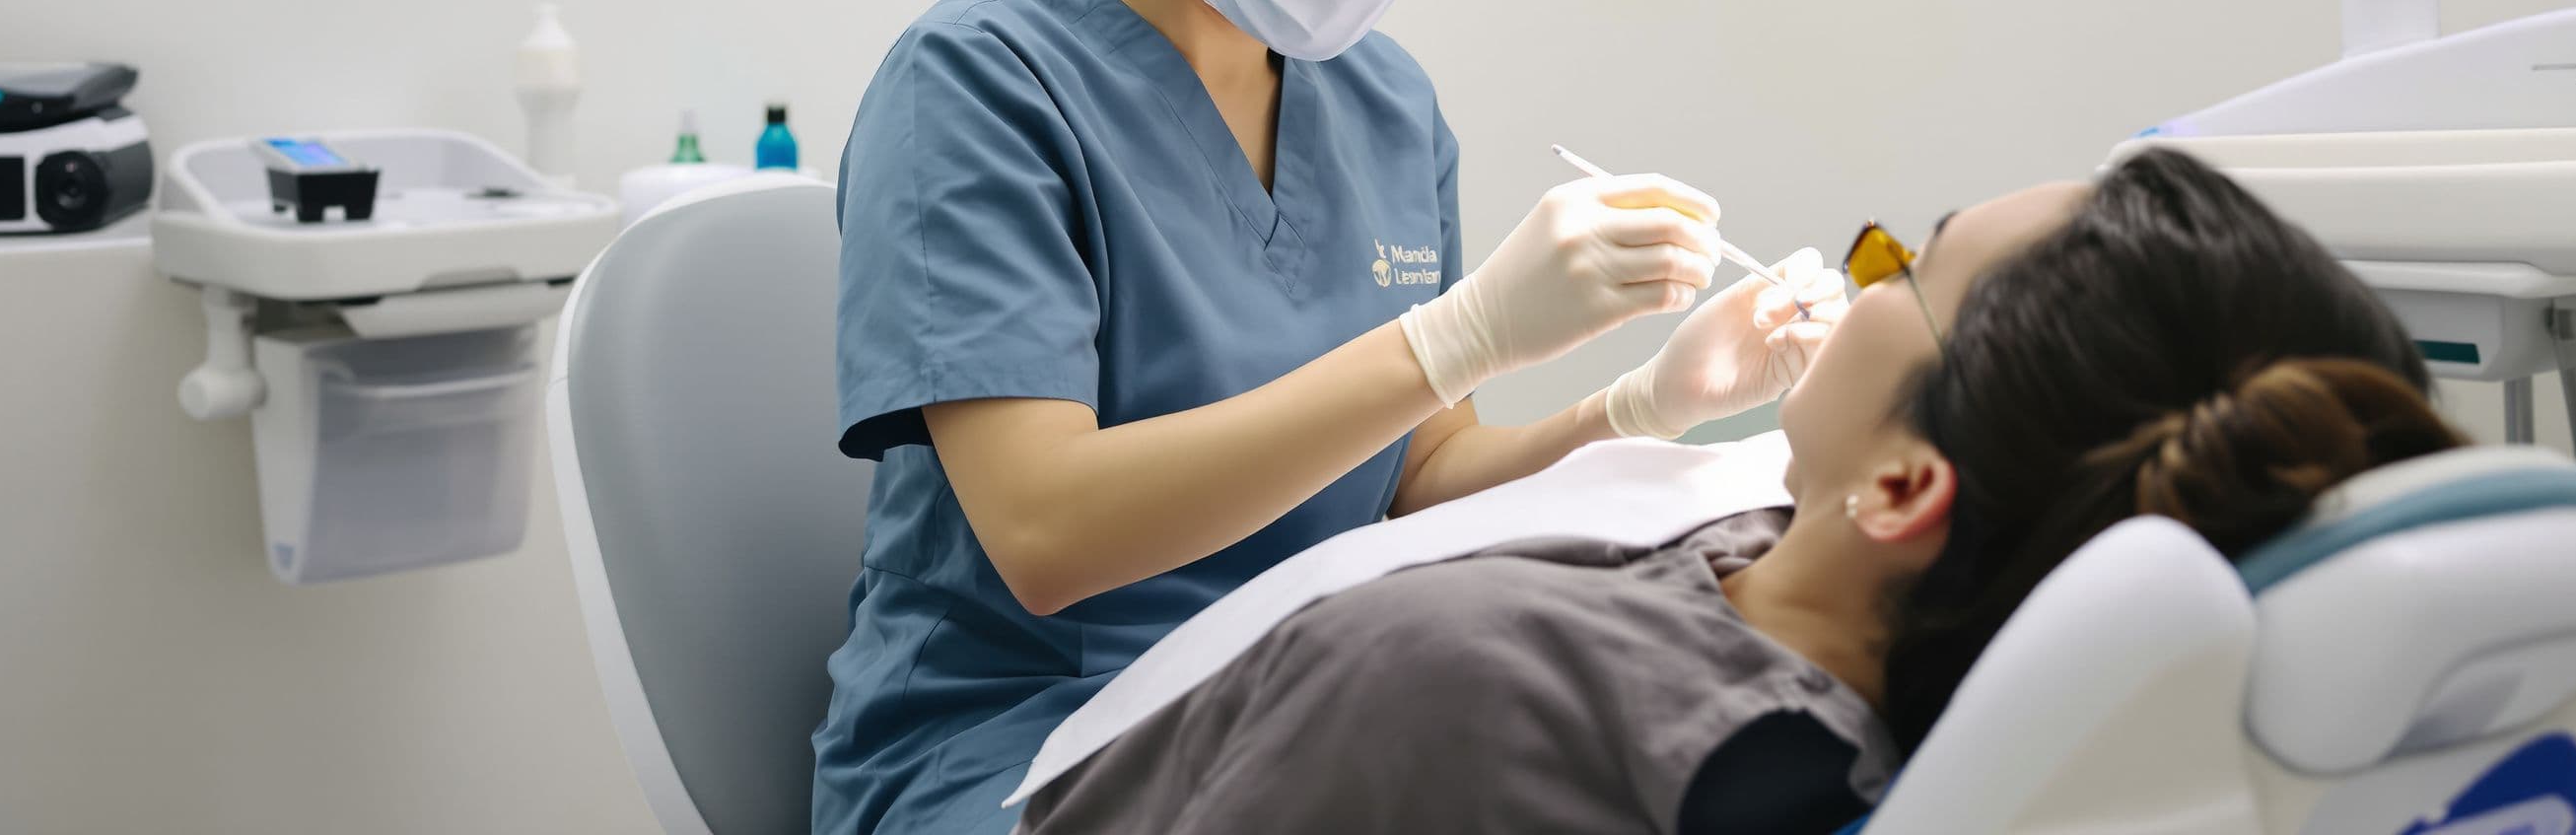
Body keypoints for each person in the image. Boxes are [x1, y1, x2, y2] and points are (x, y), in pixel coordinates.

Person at [811, 0, 1843, 835]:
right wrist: (1455, 336)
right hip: (1026, 752)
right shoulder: (980, 82)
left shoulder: (1385, 106)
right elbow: (1047, 532)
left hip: (1295, 701)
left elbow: (1414, 478)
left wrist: (1640, 408)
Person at [1010, 149, 2466, 835]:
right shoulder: (1828, 575)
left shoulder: (1468, 689)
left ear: (1905, 487)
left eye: (1906, 265)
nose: (1869, 266)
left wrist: (1462, 344)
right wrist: (1637, 412)